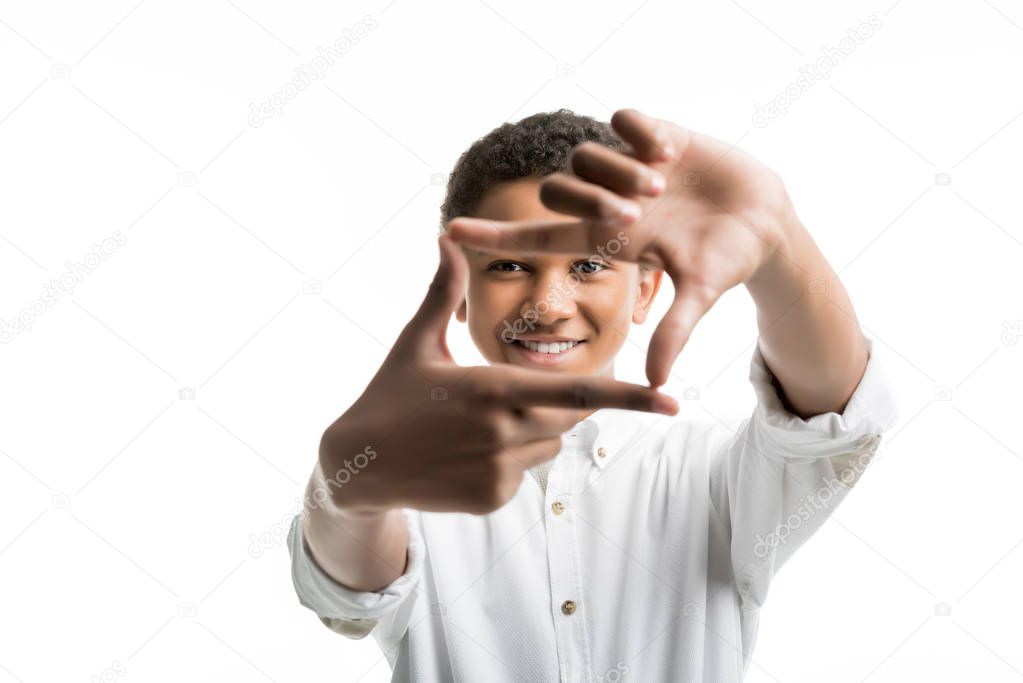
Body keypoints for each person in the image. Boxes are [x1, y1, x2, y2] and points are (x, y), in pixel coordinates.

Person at [287, 108, 899, 682]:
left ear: (643, 292)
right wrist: (347, 487)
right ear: (460, 287)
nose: (548, 306)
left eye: (587, 266)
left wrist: (779, 242)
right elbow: (346, 592)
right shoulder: (409, 476)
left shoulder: (709, 475)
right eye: (507, 265)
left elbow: (831, 413)